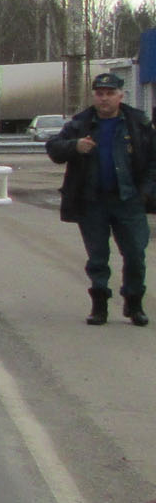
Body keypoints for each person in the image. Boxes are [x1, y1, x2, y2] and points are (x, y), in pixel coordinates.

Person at [45, 72, 156, 325]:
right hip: (92, 201)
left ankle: (134, 302)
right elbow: (53, 149)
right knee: (98, 257)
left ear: (121, 96)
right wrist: (74, 146)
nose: (104, 99)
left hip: (129, 201)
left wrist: (145, 193)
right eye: (100, 94)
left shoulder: (137, 123)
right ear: (94, 96)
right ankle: (99, 306)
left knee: (136, 255)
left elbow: (153, 162)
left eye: (110, 94)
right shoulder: (81, 124)